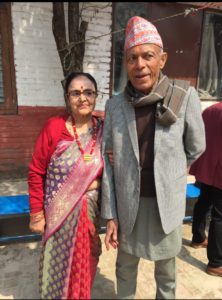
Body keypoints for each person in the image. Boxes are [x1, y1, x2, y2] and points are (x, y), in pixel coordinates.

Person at [101, 16, 206, 299]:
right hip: (128, 206)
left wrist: (173, 168)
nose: (140, 65)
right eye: (132, 57)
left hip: (166, 205)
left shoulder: (184, 96)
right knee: (124, 268)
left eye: (148, 56)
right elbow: (106, 167)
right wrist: (110, 214)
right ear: (126, 63)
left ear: (163, 60)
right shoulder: (114, 106)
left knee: (167, 274)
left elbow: (196, 146)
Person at [28, 72, 104, 299]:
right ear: (67, 97)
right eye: (76, 93)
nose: (82, 98)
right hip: (57, 215)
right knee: (57, 265)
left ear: (95, 96)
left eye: (88, 92)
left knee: (84, 262)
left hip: (89, 214)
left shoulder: (103, 129)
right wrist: (35, 215)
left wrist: (95, 184)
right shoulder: (53, 127)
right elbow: (36, 172)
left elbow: (113, 171)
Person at [190, 101, 222, 277]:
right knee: (220, 215)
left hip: (206, 165)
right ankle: (216, 263)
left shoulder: (209, 110)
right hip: (219, 168)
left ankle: (198, 238)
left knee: (203, 203)